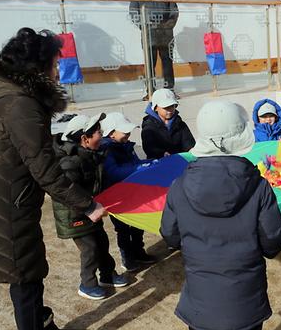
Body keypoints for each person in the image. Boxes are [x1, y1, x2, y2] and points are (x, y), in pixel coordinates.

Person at [0, 27, 107, 330]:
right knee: (24, 277)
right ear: (38, 66)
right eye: (56, 63)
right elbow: (44, 168)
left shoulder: (13, 98)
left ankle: (44, 329)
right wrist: (87, 205)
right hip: (2, 207)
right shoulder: (21, 105)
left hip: (9, 201)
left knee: (31, 268)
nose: (59, 69)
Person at [160, 99, 281, 330]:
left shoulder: (180, 185)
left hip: (200, 292)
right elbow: (273, 240)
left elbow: (169, 235)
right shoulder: (258, 185)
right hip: (245, 290)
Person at [53, 113, 129, 301]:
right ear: (84, 139)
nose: (101, 136)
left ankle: (107, 274)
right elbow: (67, 191)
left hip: (90, 210)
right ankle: (87, 284)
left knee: (101, 241)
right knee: (90, 248)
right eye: (98, 132)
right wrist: (88, 207)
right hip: (75, 215)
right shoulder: (70, 162)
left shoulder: (92, 154)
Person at [99, 112, 157, 271]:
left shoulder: (127, 146)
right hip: (116, 197)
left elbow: (136, 163)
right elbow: (114, 172)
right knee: (123, 229)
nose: (128, 134)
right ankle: (128, 258)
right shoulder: (106, 150)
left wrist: (152, 162)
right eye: (124, 132)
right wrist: (139, 168)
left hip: (133, 193)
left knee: (138, 224)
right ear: (111, 133)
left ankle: (139, 251)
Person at [129, 0, 179, 99]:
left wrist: (167, 27)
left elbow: (174, 13)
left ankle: (170, 90)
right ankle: (150, 92)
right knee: (150, 63)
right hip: (148, 34)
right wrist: (144, 27)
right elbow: (134, 13)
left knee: (167, 63)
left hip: (166, 34)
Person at [140, 88, 196, 159]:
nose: (170, 110)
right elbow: (149, 147)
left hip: (180, 161)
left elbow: (188, 143)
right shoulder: (149, 127)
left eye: (172, 106)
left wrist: (191, 151)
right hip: (159, 163)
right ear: (155, 108)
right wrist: (161, 153)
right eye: (166, 107)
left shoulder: (180, 124)